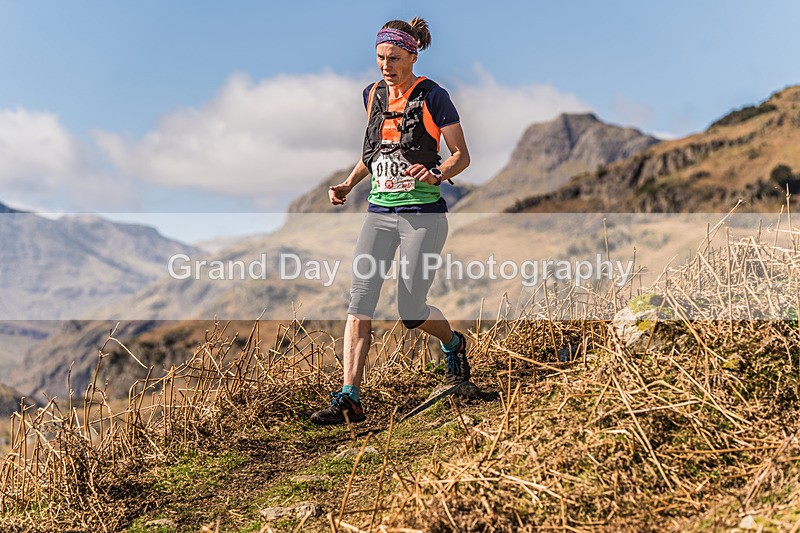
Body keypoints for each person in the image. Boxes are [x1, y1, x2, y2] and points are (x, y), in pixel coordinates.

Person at [310, 17, 472, 425]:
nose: (386, 65)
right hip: (379, 213)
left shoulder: (434, 96)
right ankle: (350, 397)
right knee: (359, 300)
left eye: (395, 58)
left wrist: (437, 174)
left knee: (411, 310)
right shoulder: (372, 95)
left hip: (423, 215)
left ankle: (453, 344)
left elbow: (461, 156)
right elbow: (375, 152)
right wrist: (347, 184)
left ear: (412, 56)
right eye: (380, 57)